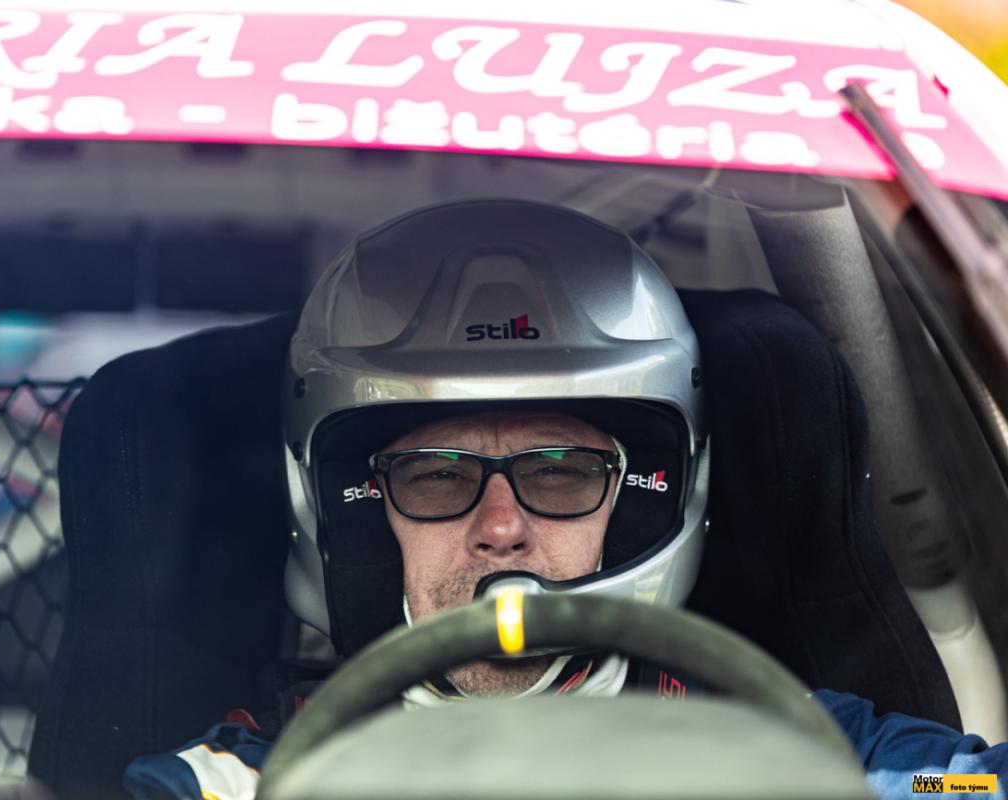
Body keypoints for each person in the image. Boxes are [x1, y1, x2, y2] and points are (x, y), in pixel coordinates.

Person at [123, 199, 1007, 800]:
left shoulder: (792, 755)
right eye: (437, 476)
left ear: (644, 499)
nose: (501, 528)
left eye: (560, 472)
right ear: (355, 510)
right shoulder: (253, 781)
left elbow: (958, 786)